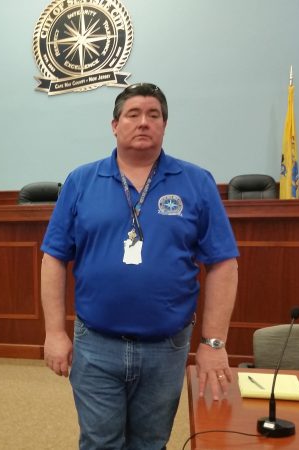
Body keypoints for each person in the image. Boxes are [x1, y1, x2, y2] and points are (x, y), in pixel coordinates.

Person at [40, 83, 239, 449]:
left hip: (166, 348)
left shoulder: (196, 182)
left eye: (154, 115)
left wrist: (213, 343)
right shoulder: (81, 181)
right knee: (100, 442)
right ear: (114, 125)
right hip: (96, 345)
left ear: (165, 125)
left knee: (150, 443)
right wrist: (55, 333)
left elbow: (223, 263)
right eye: (133, 114)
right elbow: (53, 257)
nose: (144, 122)